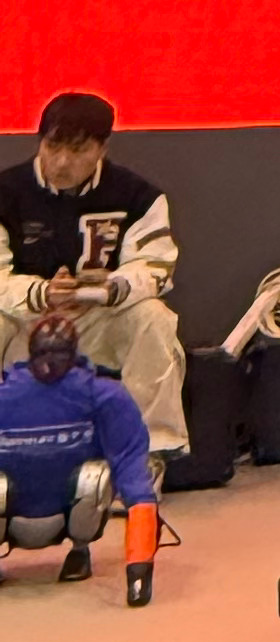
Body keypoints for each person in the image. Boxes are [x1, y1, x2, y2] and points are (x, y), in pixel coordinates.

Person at [0, 90, 188, 462]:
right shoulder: (5, 193)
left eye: (78, 150)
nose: (62, 162)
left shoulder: (138, 196)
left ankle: (151, 452)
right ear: (40, 141)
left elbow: (156, 269)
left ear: (102, 148)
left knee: (153, 316)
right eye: (52, 147)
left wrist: (111, 289)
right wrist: (41, 293)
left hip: (97, 320)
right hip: (26, 321)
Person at [0, 306, 161, 595]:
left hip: (43, 513)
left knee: (103, 472)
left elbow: (133, 475)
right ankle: (79, 550)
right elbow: (133, 476)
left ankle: (79, 550)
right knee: (123, 469)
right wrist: (139, 573)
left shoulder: (101, 395)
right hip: (63, 512)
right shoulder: (103, 393)